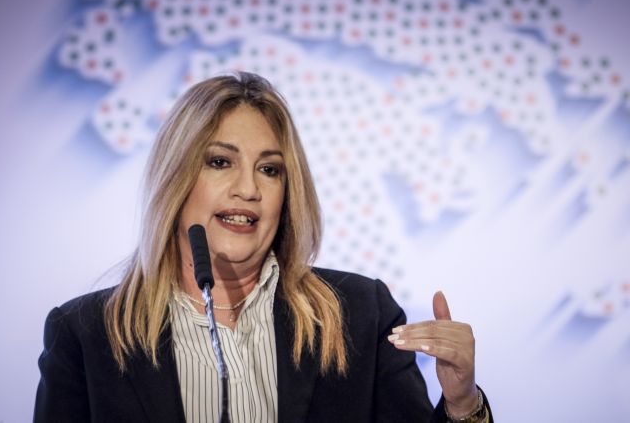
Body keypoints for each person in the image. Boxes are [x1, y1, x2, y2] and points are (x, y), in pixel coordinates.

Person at [34, 72, 492, 422]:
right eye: (220, 162)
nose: (248, 189)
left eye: (269, 170)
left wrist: (461, 405)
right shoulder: (85, 336)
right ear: (175, 178)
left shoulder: (361, 315)